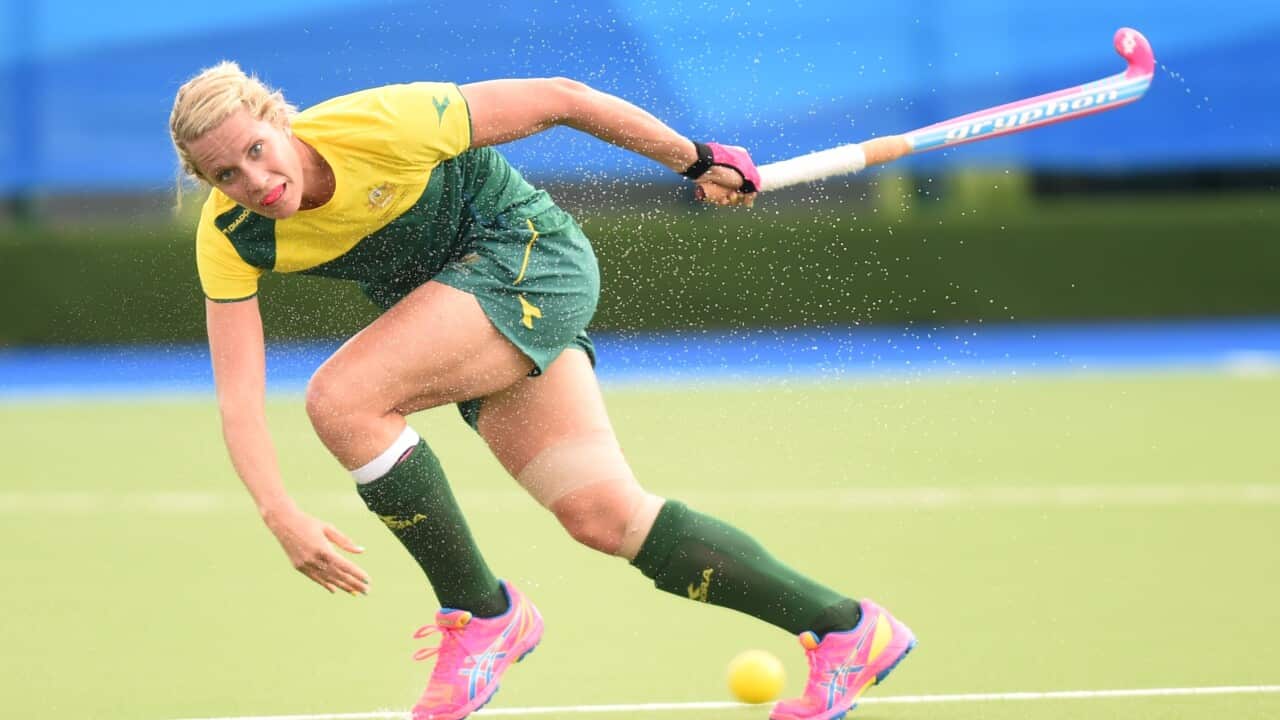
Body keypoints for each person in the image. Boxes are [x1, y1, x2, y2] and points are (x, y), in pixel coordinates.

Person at [168, 61, 915, 720]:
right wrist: (278, 512)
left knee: (342, 401)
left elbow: (561, 97)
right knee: (604, 516)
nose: (255, 183)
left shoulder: (380, 123)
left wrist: (695, 160)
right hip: (460, 309)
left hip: (523, 257)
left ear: (277, 119)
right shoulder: (232, 234)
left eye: (255, 152)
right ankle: (848, 631)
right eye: (224, 175)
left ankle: (482, 617)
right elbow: (237, 395)